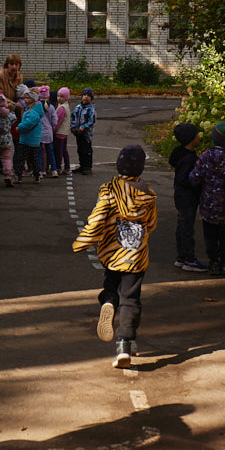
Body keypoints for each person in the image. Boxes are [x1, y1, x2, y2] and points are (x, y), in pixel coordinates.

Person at [72, 145, 157, 368]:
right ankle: (124, 344)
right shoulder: (148, 193)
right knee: (131, 299)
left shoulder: (109, 189)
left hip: (112, 253)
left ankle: (109, 301)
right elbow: (151, 224)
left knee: (111, 282)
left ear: (119, 165)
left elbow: (98, 217)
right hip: (136, 256)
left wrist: (84, 240)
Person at [188, 121, 225, 276]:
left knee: (210, 235)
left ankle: (213, 261)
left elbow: (195, 177)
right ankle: (224, 262)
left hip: (209, 205)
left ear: (214, 137)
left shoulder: (206, 156)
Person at [169, 123, 208, 273]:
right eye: (197, 135)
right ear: (191, 139)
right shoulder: (189, 158)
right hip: (188, 196)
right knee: (187, 228)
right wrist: (198, 181)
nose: (199, 137)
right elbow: (186, 179)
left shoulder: (180, 154)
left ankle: (181, 256)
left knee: (182, 225)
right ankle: (189, 259)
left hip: (181, 195)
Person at [15, 87, 44, 183]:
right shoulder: (32, 110)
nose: (25, 100)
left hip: (27, 139)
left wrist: (19, 127)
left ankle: (19, 176)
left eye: (27, 98)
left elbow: (28, 124)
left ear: (33, 99)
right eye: (24, 98)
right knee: (33, 158)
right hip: (32, 139)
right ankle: (36, 176)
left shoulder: (33, 112)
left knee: (22, 158)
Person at [70, 88, 97, 175]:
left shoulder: (91, 109)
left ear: (91, 98)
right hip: (78, 133)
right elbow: (73, 117)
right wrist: (73, 127)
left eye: (88, 96)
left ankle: (87, 167)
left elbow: (91, 122)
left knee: (87, 150)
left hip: (86, 134)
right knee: (80, 149)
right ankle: (82, 165)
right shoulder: (78, 108)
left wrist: (83, 127)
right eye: (84, 95)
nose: (86, 97)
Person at [37, 85, 58, 177]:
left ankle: (40, 171)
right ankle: (54, 170)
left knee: (39, 153)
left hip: (39, 132)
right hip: (48, 132)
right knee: (50, 151)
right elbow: (55, 120)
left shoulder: (37, 106)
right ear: (48, 96)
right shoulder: (51, 107)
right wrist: (52, 127)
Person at [53, 87, 72, 175]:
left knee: (59, 151)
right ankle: (67, 167)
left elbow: (57, 122)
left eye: (62, 96)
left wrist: (54, 130)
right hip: (65, 132)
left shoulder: (61, 108)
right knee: (64, 150)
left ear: (66, 98)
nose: (59, 98)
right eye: (58, 96)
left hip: (59, 133)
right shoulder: (66, 105)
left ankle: (58, 167)